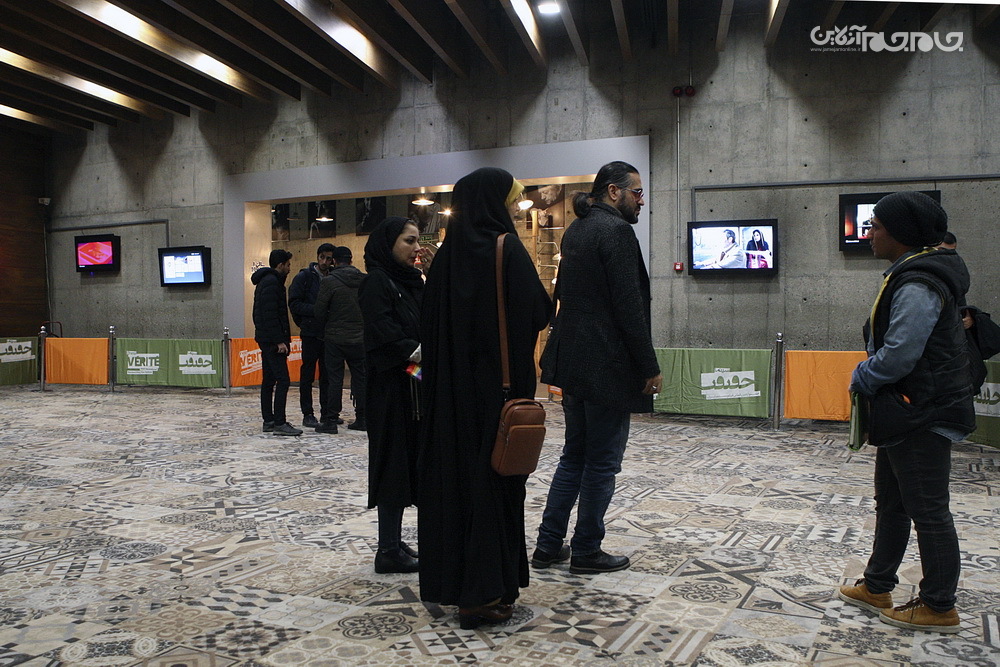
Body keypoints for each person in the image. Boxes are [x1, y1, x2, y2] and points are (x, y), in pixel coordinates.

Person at [417, 168, 552, 630]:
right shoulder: (505, 247)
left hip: (450, 400)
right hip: (496, 396)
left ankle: (459, 587)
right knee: (495, 486)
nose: (513, 207)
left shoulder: (444, 259)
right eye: (511, 200)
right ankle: (485, 593)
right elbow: (538, 311)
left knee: (456, 486)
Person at [840, 191, 975, 634]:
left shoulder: (918, 282)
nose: (869, 233)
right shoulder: (912, 272)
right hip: (906, 411)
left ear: (901, 232)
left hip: (921, 412)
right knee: (893, 504)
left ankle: (938, 605)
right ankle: (877, 585)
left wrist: (862, 376)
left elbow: (900, 354)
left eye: (875, 226)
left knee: (929, 511)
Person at [533, 160, 662, 575]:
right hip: (606, 365)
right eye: (637, 192)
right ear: (613, 191)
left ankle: (548, 545)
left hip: (573, 363)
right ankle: (587, 550)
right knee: (602, 462)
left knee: (574, 456)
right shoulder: (616, 231)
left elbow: (565, 296)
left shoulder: (577, 229)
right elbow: (629, 306)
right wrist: (649, 365)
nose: (641, 201)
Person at [358, 219, 426, 574]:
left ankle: (395, 541)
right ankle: (387, 550)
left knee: (411, 465)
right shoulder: (376, 282)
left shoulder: (411, 282)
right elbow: (386, 337)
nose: (416, 248)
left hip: (411, 390)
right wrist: (423, 363)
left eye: (417, 241)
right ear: (389, 244)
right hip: (388, 393)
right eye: (408, 241)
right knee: (392, 466)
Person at [314, 246, 367, 434]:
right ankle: (362, 418)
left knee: (334, 379)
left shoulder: (329, 282)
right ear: (351, 260)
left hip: (334, 338)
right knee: (360, 378)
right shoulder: (364, 280)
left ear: (334, 261)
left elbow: (319, 311)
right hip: (359, 338)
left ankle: (330, 420)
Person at [251, 249, 303, 437]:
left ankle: (269, 420)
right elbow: (270, 315)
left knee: (269, 380)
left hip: (265, 338)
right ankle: (279, 422)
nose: (290, 268)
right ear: (280, 265)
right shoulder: (272, 282)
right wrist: (279, 341)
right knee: (283, 380)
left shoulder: (267, 281)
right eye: (288, 265)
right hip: (272, 341)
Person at [288, 243, 336, 429]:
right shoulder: (304, 277)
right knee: (308, 374)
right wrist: (313, 314)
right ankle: (307, 413)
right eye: (322, 257)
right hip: (310, 333)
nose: (325, 261)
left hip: (328, 333)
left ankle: (327, 412)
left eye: (328, 258)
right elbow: (294, 304)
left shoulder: (333, 277)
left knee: (327, 375)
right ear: (317, 257)